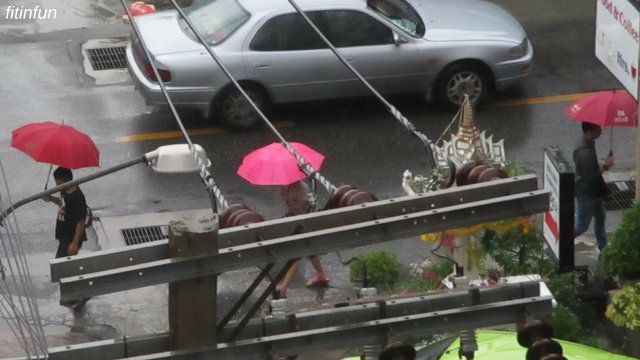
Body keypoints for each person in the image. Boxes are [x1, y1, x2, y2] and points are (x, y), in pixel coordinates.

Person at [43, 166, 91, 308]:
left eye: (59, 183)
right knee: (69, 267)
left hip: (71, 237)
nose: (57, 186)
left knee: (62, 266)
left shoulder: (77, 197)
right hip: (64, 235)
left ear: (67, 180)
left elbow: (81, 221)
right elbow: (62, 204)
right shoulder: (65, 191)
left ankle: (71, 297)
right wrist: (50, 198)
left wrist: (75, 243)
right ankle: (78, 294)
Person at [276, 180, 329, 299]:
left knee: (295, 255)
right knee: (309, 250)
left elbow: (302, 210)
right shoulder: (289, 184)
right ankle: (321, 276)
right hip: (295, 222)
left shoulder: (302, 188)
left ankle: (283, 289)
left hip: (303, 223)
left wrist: (287, 197)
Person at [573, 122, 614, 250]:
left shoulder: (588, 142)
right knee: (582, 226)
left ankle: (603, 246)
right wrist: (606, 166)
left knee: (600, 216)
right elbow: (590, 177)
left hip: (594, 190)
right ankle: (562, 241)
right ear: (591, 130)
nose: (601, 130)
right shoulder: (585, 152)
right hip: (586, 193)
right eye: (598, 128)